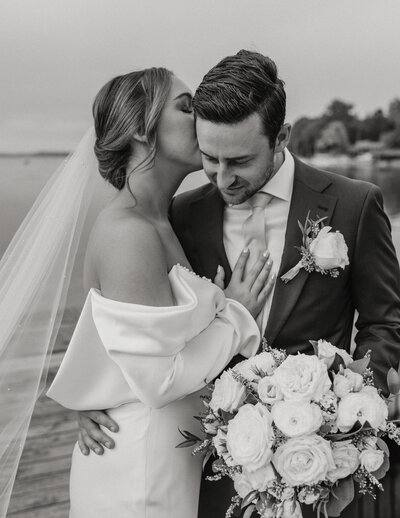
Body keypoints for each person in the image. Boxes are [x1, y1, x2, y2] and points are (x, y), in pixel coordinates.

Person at [78, 51, 400, 518]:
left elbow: (384, 321)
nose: (223, 178)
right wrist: (91, 397)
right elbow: (127, 319)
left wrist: (348, 411)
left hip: (327, 467)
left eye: (240, 161)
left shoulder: (354, 204)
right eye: (210, 159)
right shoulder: (178, 214)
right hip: (208, 471)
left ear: (281, 138)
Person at [45, 67, 276, 518]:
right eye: (187, 107)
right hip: (139, 465)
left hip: (169, 455)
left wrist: (95, 392)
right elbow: (158, 380)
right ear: (139, 129)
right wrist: (237, 313)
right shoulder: (127, 233)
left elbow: (117, 343)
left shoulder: (161, 221)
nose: (202, 116)